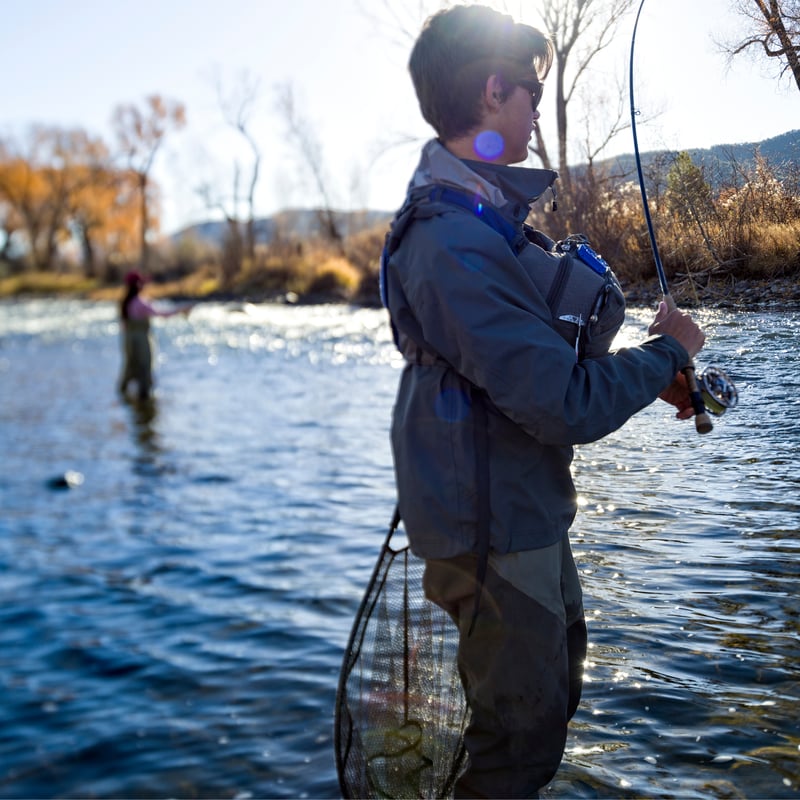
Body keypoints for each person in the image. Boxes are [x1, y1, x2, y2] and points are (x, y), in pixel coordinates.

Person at [381, 5, 706, 798]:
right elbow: (560, 403)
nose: (534, 105)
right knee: (516, 745)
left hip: (516, 510)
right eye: (528, 90)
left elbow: (527, 368)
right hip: (489, 529)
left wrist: (647, 373)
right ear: (493, 92)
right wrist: (670, 352)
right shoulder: (451, 239)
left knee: (548, 703)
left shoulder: (477, 220)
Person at [118, 270, 192, 400]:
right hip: (141, 341)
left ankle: (123, 396)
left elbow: (124, 326)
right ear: (139, 285)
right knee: (145, 368)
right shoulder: (140, 302)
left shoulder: (125, 303)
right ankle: (144, 401)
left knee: (130, 368)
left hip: (128, 341)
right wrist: (181, 310)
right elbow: (162, 314)